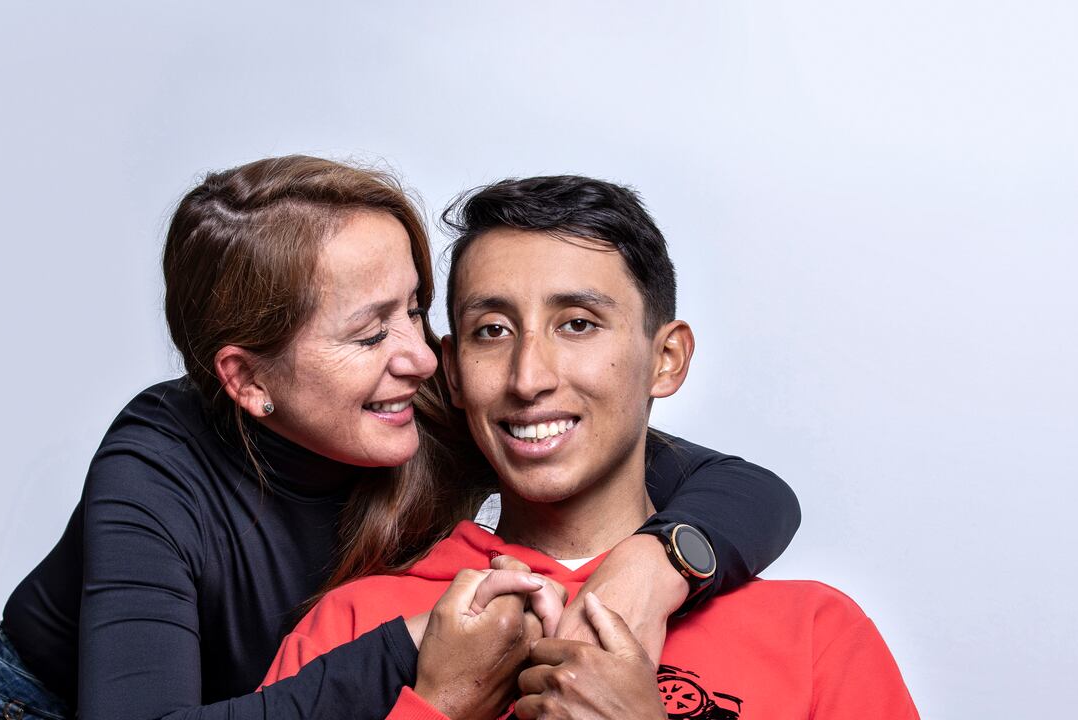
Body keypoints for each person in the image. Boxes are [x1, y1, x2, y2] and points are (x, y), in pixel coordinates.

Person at [0, 157, 802, 720]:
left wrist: (656, 566)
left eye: (415, 310)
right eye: (369, 335)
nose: (421, 357)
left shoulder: (433, 395)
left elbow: (746, 489)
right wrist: (413, 654)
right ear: (247, 380)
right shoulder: (154, 472)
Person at [263, 175, 918, 719]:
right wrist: (436, 706)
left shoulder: (813, 635)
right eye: (493, 330)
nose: (528, 378)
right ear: (454, 371)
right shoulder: (353, 627)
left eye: (577, 324)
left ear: (666, 359)